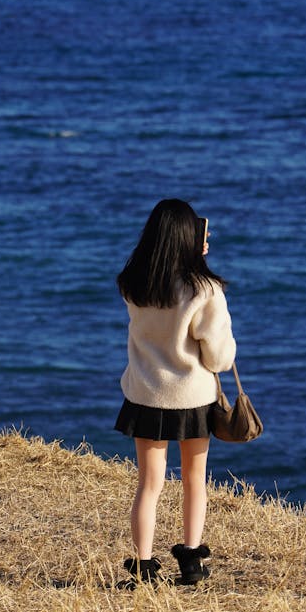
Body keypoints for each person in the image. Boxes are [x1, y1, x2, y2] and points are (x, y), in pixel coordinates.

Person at [115, 198, 237, 586]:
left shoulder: (134, 284)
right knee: (193, 479)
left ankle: (144, 567)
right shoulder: (205, 290)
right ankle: (191, 561)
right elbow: (218, 357)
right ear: (190, 237)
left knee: (148, 485)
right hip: (192, 398)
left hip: (146, 395)